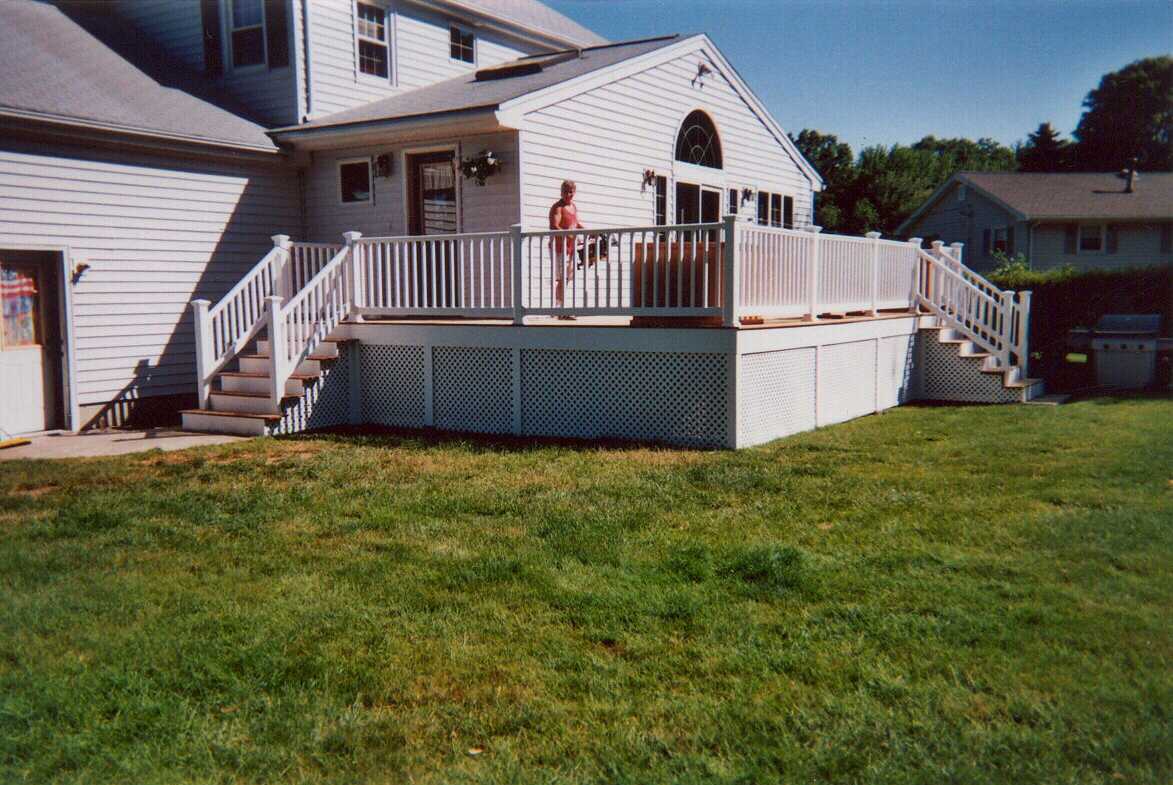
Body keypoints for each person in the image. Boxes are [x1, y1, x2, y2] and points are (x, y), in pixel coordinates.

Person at [548, 180, 584, 316]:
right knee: (562, 277)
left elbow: (576, 223)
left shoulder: (573, 207)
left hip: (571, 247)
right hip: (559, 247)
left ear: (574, 192)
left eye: (571, 192)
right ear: (561, 192)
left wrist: (586, 230)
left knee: (568, 277)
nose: (568, 194)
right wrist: (567, 235)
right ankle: (560, 308)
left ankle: (558, 306)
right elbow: (554, 226)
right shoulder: (557, 207)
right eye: (566, 192)